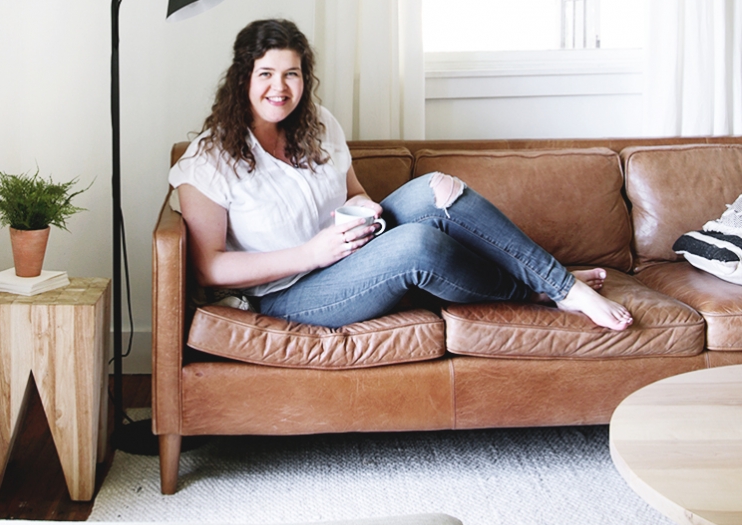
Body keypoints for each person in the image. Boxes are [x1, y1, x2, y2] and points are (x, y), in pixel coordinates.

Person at [170, 18, 633, 332]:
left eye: (292, 74)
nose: (280, 88)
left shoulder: (320, 124)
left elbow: (353, 193)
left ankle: (561, 285)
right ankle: (538, 288)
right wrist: (311, 253)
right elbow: (209, 265)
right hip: (288, 293)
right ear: (242, 79)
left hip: (348, 254)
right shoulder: (208, 160)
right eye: (266, 73)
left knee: (437, 190)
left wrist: (364, 210)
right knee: (416, 246)